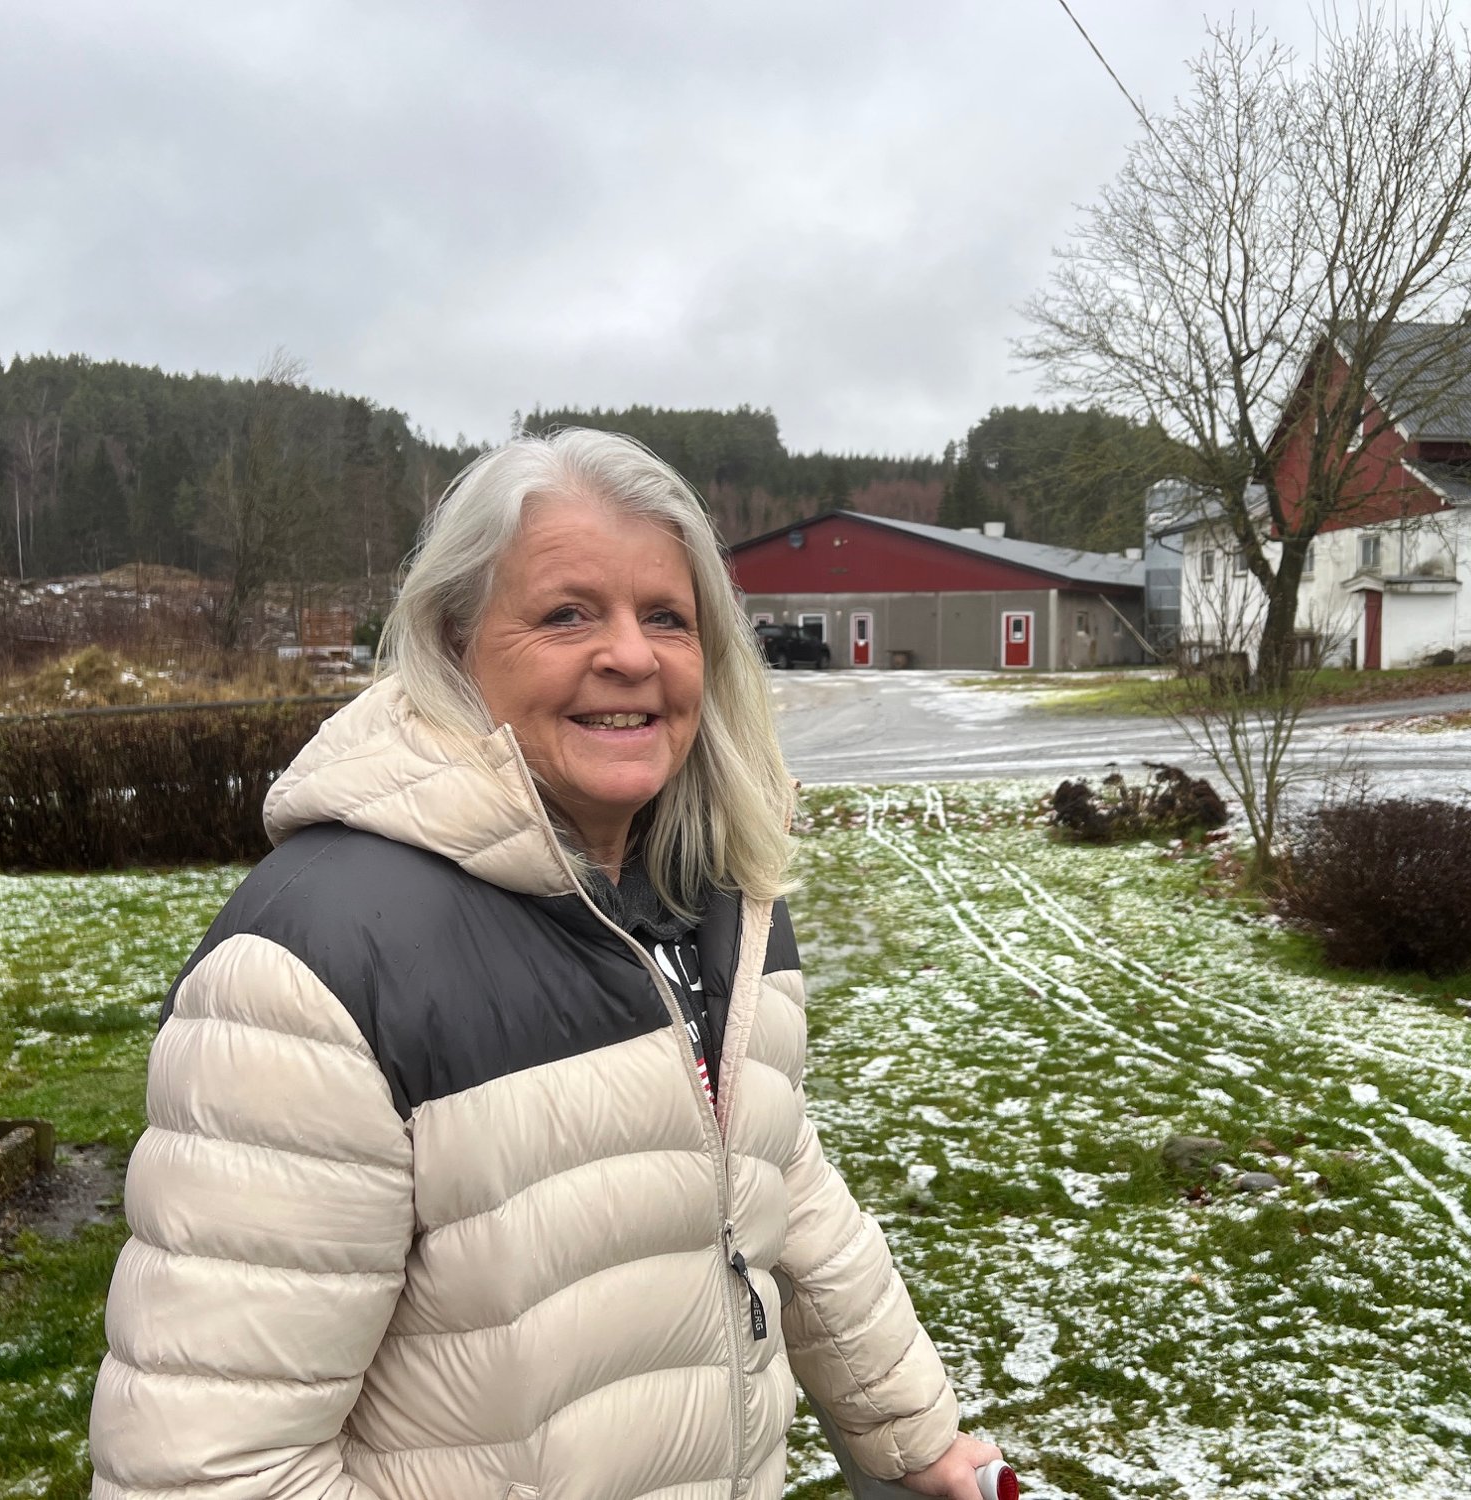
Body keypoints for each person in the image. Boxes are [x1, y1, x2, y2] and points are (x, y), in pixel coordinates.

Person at [88, 431, 999, 1500]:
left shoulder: (717, 898)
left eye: (667, 617)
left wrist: (918, 1439)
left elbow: (778, 1172)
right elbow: (205, 1473)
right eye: (568, 614)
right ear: (453, 641)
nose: (631, 657)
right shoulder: (313, 972)